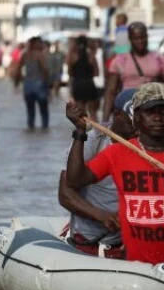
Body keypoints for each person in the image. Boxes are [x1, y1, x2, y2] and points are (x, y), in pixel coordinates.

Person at [64, 83, 164, 264]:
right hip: (139, 268)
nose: (158, 118)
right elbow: (74, 180)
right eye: (150, 111)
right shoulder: (117, 153)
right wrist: (80, 132)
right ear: (136, 117)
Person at [59, 88, 137, 258]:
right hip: (91, 240)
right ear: (117, 116)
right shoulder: (94, 141)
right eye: (133, 121)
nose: (139, 128)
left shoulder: (147, 145)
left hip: (130, 240)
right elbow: (65, 193)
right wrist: (101, 216)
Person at [102, 23, 164, 135]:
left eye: (142, 37)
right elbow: (110, 92)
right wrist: (105, 122)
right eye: (136, 38)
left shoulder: (159, 59)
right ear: (130, 39)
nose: (140, 41)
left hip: (151, 112)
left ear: (147, 37)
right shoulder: (120, 60)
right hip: (127, 111)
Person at [10, 36, 57, 129]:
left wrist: (16, 82)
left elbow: (18, 70)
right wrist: (48, 85)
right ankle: (44, 128)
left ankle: (31, 128)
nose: (41, 45)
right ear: (36, 44)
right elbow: (45, 70)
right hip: (39, 84)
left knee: (30, 110)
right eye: (40, 43)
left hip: (28, 84)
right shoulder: (40, 55)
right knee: (44, 110)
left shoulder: (25, 54)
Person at [67, 34, 100, 116]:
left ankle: (82, 128)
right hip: (89, 84)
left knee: (80, 112)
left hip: (77, 84)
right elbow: (97, 73)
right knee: (93, 112)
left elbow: (69, 73)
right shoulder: (91, 56)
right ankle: (96, 129)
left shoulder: (73, 56)